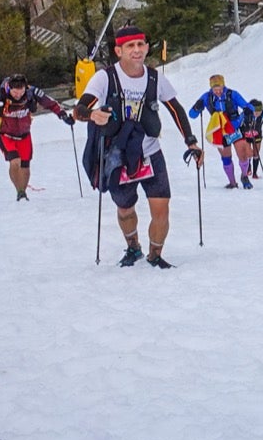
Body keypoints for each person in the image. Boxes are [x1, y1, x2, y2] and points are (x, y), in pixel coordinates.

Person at [74, 26, 204, 268]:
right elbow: (79, 110)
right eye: (130, 46)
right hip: (118, 155)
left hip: (150, 152)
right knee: (125, 209)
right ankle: (133, 247)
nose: (136, 50)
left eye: (140, 45)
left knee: (162, 209)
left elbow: (175, 109)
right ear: (118, 50)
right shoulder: (105, 77)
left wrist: (191, 141)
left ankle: (155, 255)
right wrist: (92, 115)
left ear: (146, 47)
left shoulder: (154, 77)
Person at [0, 74, 74, 201]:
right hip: (4, 133)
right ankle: (19, 191)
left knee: (25, 164)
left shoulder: (32, 92)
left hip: (24, 133)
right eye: (15, 92)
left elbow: (50, 103)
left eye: (21, 92)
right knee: (15, 161)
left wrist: (63, 115)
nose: (18, 95)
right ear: (9, 89)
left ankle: (22, 193)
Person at [187, 74, 252, 189]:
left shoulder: (232, 94)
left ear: (224, 86)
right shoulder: (207, 97)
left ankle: (244, 176)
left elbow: (247, 106)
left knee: (242, 154)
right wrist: (197, 107)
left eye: (220, 89)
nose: (218, 92)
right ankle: (232, 182)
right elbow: (192, 115)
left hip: (235, 128)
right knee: (226, 158)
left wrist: (247, 111)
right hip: (220, 132)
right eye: (215, 89)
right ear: (211, 88)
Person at [239, 99, 263, 179]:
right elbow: (238, 121)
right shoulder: (245, 114)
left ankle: (255, 173)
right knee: (248, 153)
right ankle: (248, 167)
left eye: (259, 110)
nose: (257, 113)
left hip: (257, 136)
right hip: (246, 136)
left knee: (256, 153)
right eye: (255, 110)